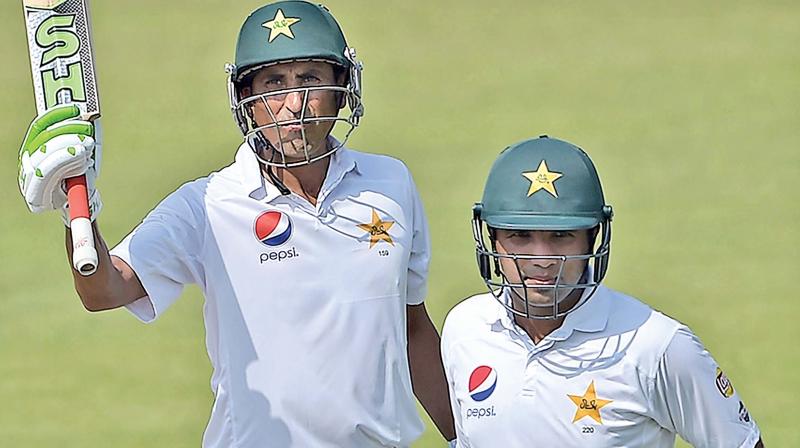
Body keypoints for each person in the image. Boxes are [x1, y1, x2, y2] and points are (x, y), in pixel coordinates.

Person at [17, 1, 454, 446]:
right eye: (273, 83)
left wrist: (463, 437)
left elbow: (411, 327)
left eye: (310, 79)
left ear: (342, 85)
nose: (293, 103)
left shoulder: (391, 183)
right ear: (246, 98)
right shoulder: (208, 204)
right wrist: (77, 214)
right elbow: (103, 290)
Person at [440, 136, 763, 447]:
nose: (542, 259)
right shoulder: (465, 328)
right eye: (520, 235)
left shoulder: (656, 346)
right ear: (492, 238)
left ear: (592, 239)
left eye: (562, 235)